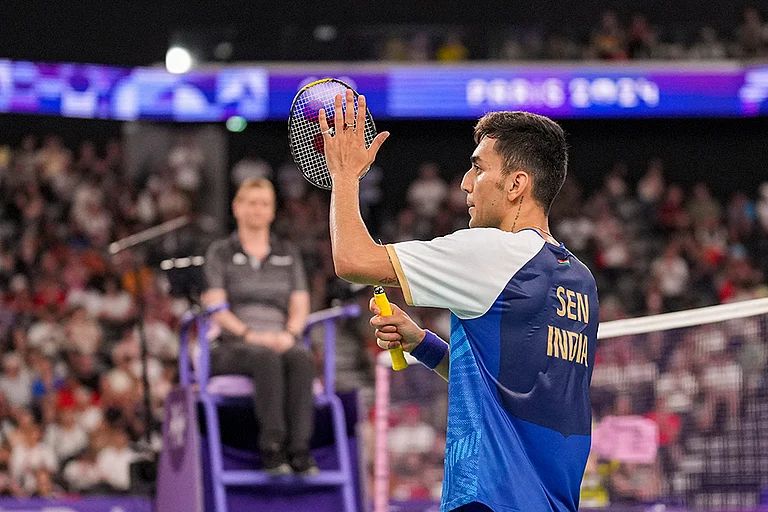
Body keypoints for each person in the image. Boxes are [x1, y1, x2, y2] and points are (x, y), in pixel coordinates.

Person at [318, 91, 599, 511]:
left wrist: (343, 175)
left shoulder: (493, 252)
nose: (465, 183)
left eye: (477, 168)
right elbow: (505, 387)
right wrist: (422, 344)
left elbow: (352, 260)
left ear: (517, 184)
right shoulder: (580, 279)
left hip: (489, 497)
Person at [202, 178, 316, 476]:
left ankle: (300, 449)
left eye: (264, 203)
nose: (257, 209)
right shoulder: (220, 252)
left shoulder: (287, 253)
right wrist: (251, 335)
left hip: (281, 338)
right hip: (232, 344)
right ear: (236, 208)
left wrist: (290, 334)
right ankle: (272, 448)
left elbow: (300, 304)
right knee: (265, 355)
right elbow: (216, 308)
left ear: (273, 211)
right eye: (251, 202)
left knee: (300, 356)